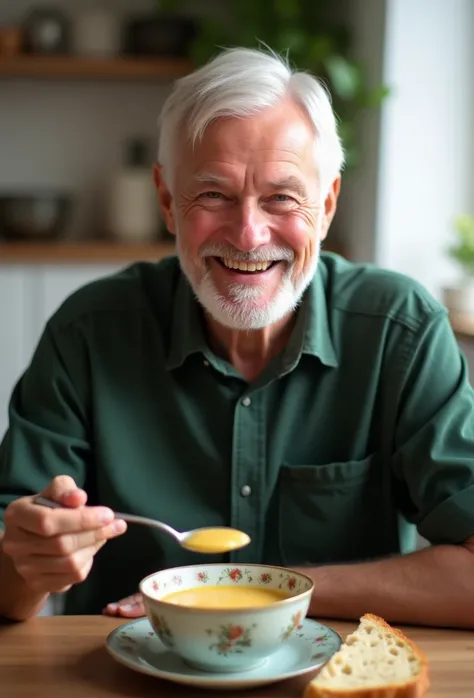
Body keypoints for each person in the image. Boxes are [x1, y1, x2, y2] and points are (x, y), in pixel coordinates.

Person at [1, 47, 474, 627]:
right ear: (168, 201)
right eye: (214, 195)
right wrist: (31, 560)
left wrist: (274, 591)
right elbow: (8, 575)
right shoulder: (89, 333)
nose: (248, 235)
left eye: (281, 197)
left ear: (325, 206)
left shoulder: (400, 331)